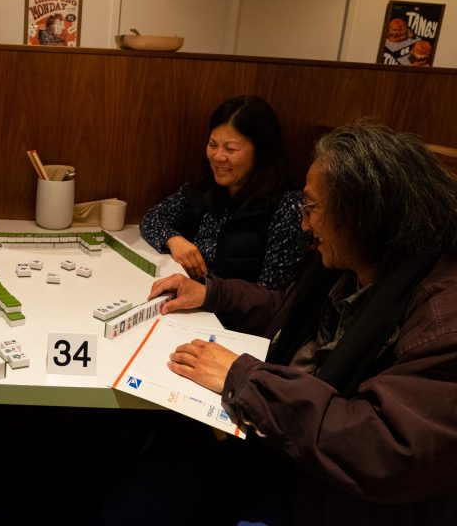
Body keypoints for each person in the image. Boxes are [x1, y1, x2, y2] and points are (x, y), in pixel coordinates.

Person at [145, 123, 457, 524]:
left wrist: (245, 379)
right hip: (288, 457)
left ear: (362, 214)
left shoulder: (442, 321)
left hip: (329, 501)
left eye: (311, 209)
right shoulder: (361, 260)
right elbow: (287, 311)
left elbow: (386, 449)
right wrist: (211, 293)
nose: (305, 225)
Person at [140, 95, 309, 290]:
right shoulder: (208, 187)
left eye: (231, 149)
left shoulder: (288, 206)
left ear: (261, 152)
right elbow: (152, 218)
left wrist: (209, 295)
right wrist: (173, 240)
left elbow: (270, 296)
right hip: (191, 299)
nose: (218, 157)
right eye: (213, 145)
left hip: (227, 314)